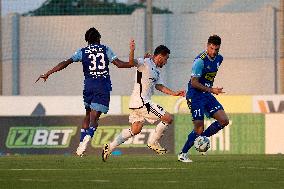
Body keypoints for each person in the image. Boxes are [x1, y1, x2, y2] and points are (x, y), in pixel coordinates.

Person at [36, 27, 135, 157]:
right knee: (95, 118)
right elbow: (121, 64)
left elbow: (66, 62)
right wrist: (132, 54)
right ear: (99, 38)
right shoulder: (105, 49)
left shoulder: (82, 51)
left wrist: (48, 72)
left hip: (88, 86)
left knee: (88, 115)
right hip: (102, 86)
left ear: (87, 40)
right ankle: (86, 141)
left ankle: (81, 145)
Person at [102, 45, 186, 162]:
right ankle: (153, 142)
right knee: (168, 118)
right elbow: (131, 62)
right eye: (166, 59)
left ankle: (110, 147)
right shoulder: (144, 62)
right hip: (142, 102)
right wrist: (132, 50)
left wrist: (174, 93)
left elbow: (159, 86)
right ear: (160, 56)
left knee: (135, 129)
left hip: (136, 103)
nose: (166, 62)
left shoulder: (156, 71)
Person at [178, 35, 229, 163]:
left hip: (206, 95)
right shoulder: (199, 61)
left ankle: (201, 140)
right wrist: (212, 90)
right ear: (207, 46)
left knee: (224, 121)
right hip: (195, 95)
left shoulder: (219, 59)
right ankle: (183, 154)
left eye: (216, 49)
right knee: (198, 128)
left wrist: (210, 90)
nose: (213, 52)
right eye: (211, 48)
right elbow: (194, 82)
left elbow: (208, 79)